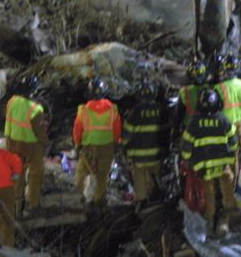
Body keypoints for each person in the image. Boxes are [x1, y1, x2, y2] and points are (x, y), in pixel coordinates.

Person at [180, 88, 239, 238]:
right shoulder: (224, 120)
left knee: (209, 193)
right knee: (227, 188)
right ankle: (226, 217)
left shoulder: (194, 124)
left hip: (204, 166)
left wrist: (186, 160)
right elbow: (233, 142)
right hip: (223, 164)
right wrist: (232, 152)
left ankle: (210, 219)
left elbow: (186, 147)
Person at [72, 77, 122, 207]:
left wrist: (77, 144)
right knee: (102, 176)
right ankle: (99, 202)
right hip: (106, 147)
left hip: (89, 147)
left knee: (82, 173)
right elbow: (117, 130)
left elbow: (77, 130)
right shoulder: (113, 110)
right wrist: (116, 143)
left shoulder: (84, 110)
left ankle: (77, 199)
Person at [3, 75, 49, 215]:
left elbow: (9, 121)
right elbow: (39, 132)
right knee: (35, 174)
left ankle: (16, 205)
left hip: (12, 142)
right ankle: (33, 205)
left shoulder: (12, 101)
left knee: (17, 174)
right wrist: (46, 143)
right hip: (31, 146)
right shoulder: (35, 109)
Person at [123, 81, 171, 203]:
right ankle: (154, 206)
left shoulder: (135, 111)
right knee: (154, 182)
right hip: (156, 156)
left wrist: (124, 150)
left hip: (138, 158)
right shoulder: (162, 110)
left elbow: (126, 134)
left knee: (140, 185)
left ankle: (142, 205)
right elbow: (167, 132)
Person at [212, 53, 241, 175]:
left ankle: (231, 179)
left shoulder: (219, 87)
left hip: (225, 125)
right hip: (240, 121)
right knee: (239, 150)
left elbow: (216, 108)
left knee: (230, 154)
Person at [177, 59, 209, 135]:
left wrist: (176, 130)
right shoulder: (212, 88)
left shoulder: (184, 91)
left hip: (189, 125)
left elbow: (179, 113)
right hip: (206, 125)